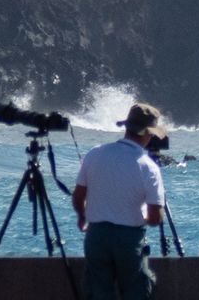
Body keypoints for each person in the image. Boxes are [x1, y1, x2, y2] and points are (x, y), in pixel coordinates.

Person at [72, 102, 168, 300]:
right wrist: (141, 215)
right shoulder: (148, 167)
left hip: (96, 235)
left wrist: (82, 217)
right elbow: (155, 218)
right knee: (136, 290)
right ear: (148, 133)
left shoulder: (95, 153)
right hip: (129, 239)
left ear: (127, 128)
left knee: (98, 291)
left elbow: (78, 196)